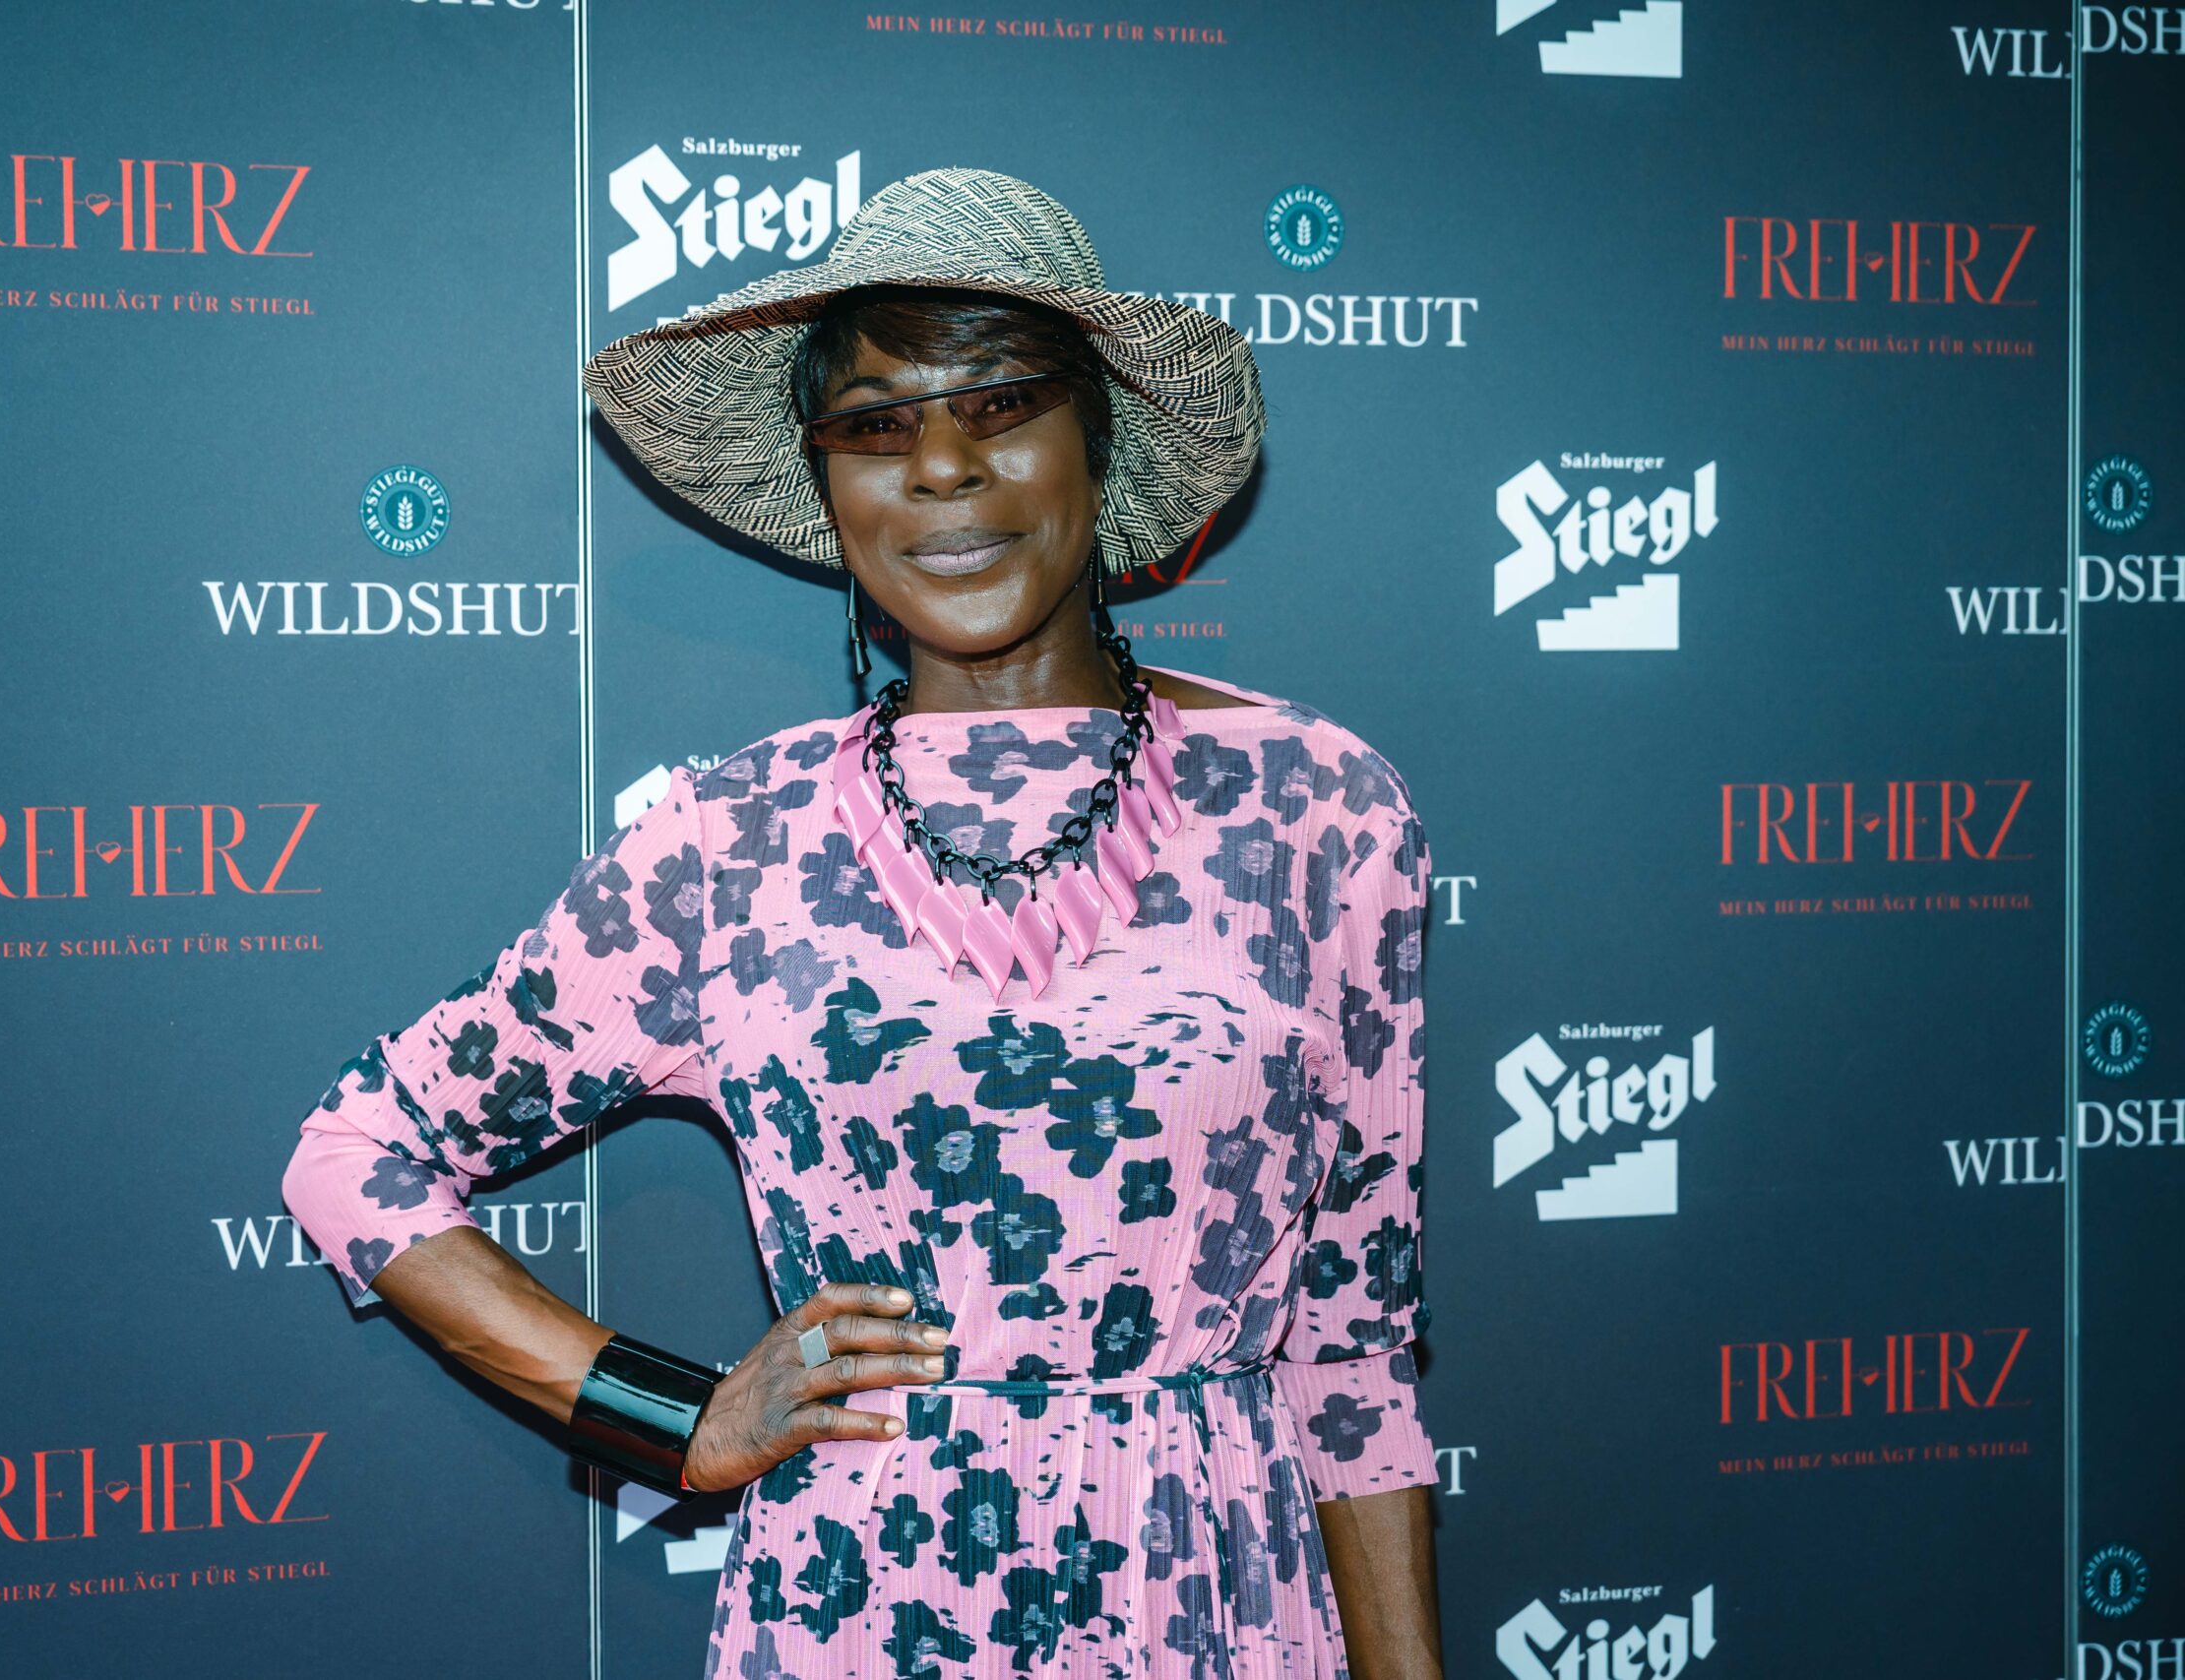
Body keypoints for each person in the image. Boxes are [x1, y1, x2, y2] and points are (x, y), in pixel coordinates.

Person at [281, 167, 1442, 1679]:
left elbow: (1352, 1352)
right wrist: (676, 1420)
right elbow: (357, 1152)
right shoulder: (731, 842)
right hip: (863, 1609)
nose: (943, 469)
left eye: (1001, 403)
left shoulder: (1320, 807)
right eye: (878, 426)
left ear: (1098, 438)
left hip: (1212, 1604)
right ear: (828, 486)